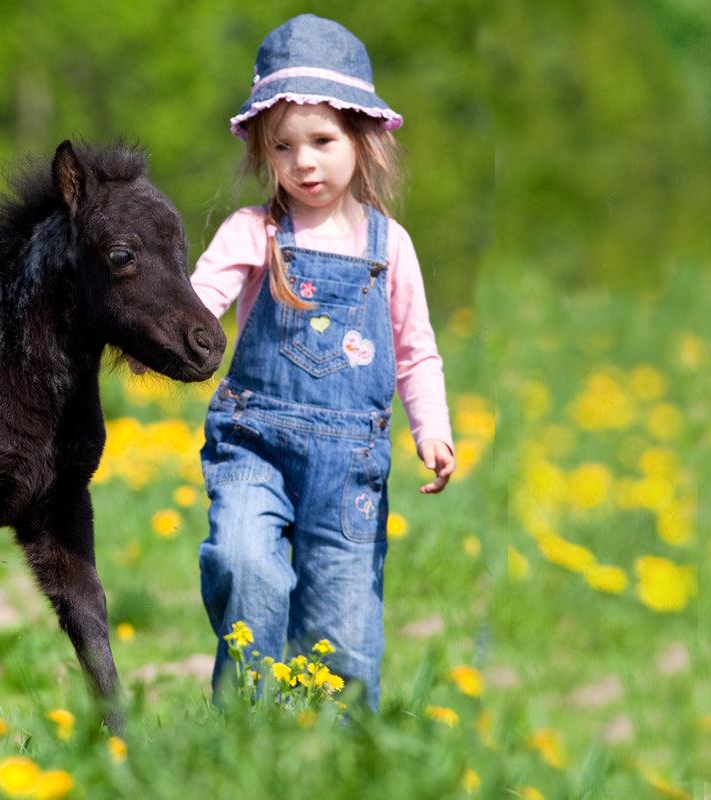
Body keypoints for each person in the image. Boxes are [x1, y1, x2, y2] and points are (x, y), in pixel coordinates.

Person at [190, 13, 455, 710]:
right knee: (244, 564)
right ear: (261, 154)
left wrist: (431, 427)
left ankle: (338, 766)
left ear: (363, 139)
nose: (304, 162)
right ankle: (246, 735)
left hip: (350, 471)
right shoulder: (253, 232)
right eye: (283, 147)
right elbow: (197, 305)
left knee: (344, 635)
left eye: (322, 141)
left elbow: (415, 348)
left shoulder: (388, 245)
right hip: (255, 447)